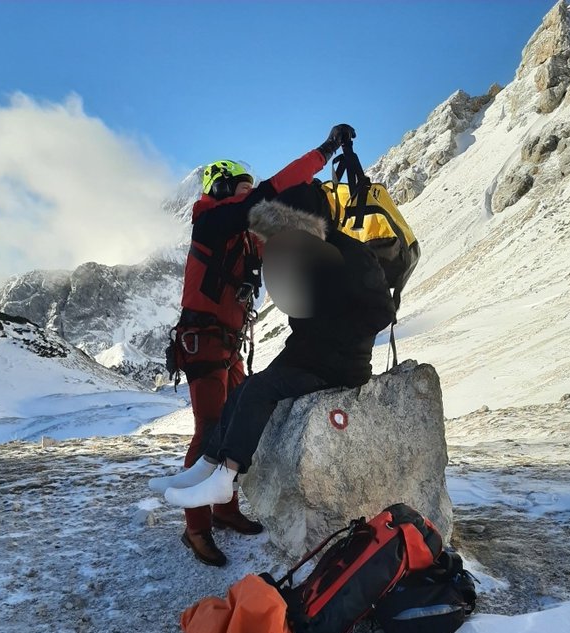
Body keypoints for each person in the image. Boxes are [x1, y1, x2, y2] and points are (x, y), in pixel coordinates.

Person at [169, 125, 358, 567]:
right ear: (221, 188)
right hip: (204, 342)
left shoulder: (240, 235)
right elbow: (269, 194)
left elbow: (277, 226)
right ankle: (195, 528)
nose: (249, 196)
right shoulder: (212, 221)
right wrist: (323, 152)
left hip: (226, 344)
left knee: (231, 420)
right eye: (241, 188)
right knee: (209, 428)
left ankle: (224, 509)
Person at [163, 172, 396, 516]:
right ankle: (208, 462)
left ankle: (225, 475)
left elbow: (380, 311)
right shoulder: (310, 254)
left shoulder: (352, 254)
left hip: (340, 365)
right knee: (242, 391)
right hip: (310, 356)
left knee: (257, 391)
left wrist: (335, 328)